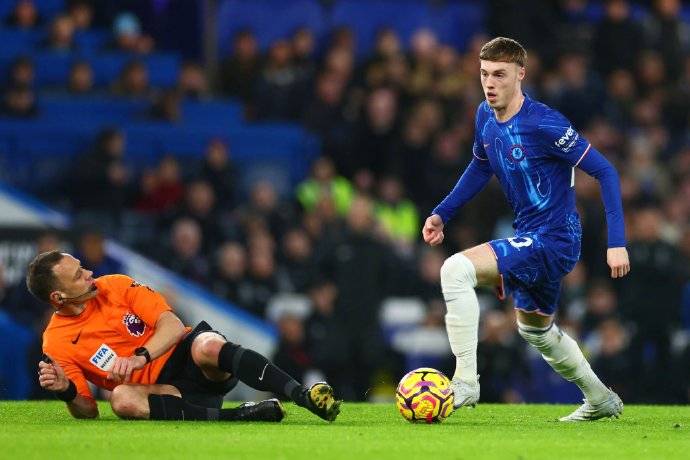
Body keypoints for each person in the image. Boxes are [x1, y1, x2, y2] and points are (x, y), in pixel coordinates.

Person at [422, 37, 630, 421]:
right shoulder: (485, 115)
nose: (490, 83)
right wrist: (443, 213)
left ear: (521, 74)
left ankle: (465, 382)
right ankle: (600, 398)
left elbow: (605, 171)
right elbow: (481, 166)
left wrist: (617, 241)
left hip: (554, 239)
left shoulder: (545, 123)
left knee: (454, 270)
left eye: (500, 74)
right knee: (536, 331)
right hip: (529, 234)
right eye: (484, 73)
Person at [28, 250, 341, 422]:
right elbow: (88, 411)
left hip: (190, 358)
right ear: (58, 297)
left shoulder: (115, 285)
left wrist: (139, 358)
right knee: (120, 399)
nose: (89, 274)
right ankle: (242, 415)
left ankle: (304, 397)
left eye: (82, 267)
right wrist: (66, 391)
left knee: (207, 345)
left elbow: (173, 325)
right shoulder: (56, 342)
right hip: (166, 394)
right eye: (78, 276)